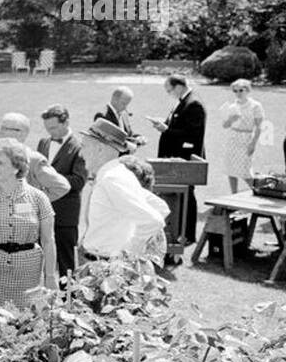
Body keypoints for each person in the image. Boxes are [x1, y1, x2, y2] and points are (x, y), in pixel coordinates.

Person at [0, 140, 58, 307]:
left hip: (28, 275)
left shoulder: (38, 198)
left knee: (26, 322)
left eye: (1, 163)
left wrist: (49, 277)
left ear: (16, 167)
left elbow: (48, 241)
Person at [78, 118, 170, 265]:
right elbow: (161, 207)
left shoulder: (112, 178)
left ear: (100, 149)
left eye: (84, 146)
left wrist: (126, 255)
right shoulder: (117, 173)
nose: (81, 154)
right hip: (98, 260)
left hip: (104, 266)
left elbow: (153, 220)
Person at [151, 73, 206, 256]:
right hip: (175, 155)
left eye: (169, 90)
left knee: (188, 195)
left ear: (179, 87)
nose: (169, 94)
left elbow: (192, 133)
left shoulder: (194, 104)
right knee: (179, 197)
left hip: (185, 157)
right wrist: (164, 124)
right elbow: (175, 122)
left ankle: (188, 233)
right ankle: (179, 229)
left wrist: (168, 130)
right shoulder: (182, 102)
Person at [38, 106, 87, 278]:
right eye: (47, 129)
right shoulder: (43, 143)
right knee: (41, 262)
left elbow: (79, 180)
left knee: (67, 266)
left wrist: (51, 181)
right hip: (42, 213)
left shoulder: (80, 146)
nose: (50, 132)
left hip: (65, 215)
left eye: (54, 128)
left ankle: (70, 303)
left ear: (66, 122)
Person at [0, 113, 70, 203]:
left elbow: (61, 187)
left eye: (4, 128)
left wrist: (32, 202)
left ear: (21, 134)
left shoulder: (33, 160)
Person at [220, 79, 265, 192]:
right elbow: (225, 125)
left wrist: (253, 144)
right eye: (235, 91)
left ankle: (257, 192)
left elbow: (259, 126)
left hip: (246, 138)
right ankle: (233, 194)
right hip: (232, 137)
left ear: (247, 90)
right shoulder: (232, 106)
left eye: (241, 90)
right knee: (230, 169)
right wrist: (231, 119)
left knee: (245, 171)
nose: (238, 93)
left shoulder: (255, 106)